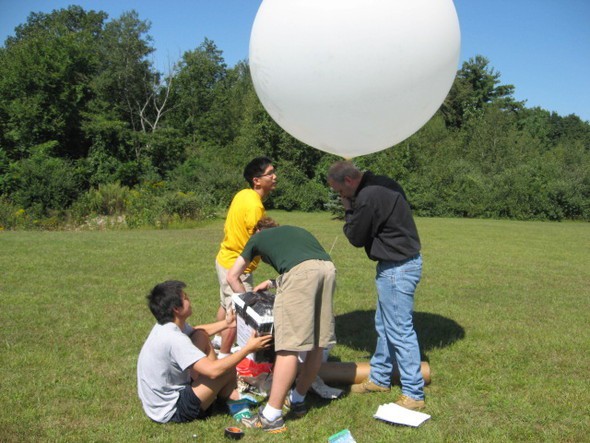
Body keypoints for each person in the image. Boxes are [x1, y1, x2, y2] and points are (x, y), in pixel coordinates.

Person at [327, 161, 425, 411]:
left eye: (340, 191)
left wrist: (348, 208)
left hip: (396, 268)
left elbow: (356, 237)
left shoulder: (368, 196)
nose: (341, 196)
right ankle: (380, 378)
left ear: (349, 181)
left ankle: (414, 393)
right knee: (385, 326)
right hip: (401, 264)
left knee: (400, 331)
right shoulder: (383, 181)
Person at [227, 217, 336, 433]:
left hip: (303, 274)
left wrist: (249, 306)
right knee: (317, 342)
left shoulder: (257, 238)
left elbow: (232, 276)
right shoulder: (295, 230)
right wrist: (271, 283)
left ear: (258, 230)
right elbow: (306, 264)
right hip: (328, 269)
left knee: (289, 345)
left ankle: (271, 416)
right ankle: (298, 399)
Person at [137, 280, 273, 424]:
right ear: (176, 309)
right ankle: (228, 397)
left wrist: (227, 324)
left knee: (200, 335)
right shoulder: (174, 339)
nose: (190, 300)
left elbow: (198, 331)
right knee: (226, 367)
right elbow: (213, 371)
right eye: (186, 298)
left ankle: (224, 393)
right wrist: (248, 349)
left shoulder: (165, 326)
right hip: (172, 410)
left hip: (159, 404)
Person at [213, 157, 277, 358]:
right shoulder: (255, 206)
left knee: (226, 305)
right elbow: (259, 241)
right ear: (256, 180)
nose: (275, 177)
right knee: (240, 315)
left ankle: (216, 340)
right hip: (237, 269)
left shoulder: (243, 195)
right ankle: (224, 360)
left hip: (224, 259)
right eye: (270, 173)